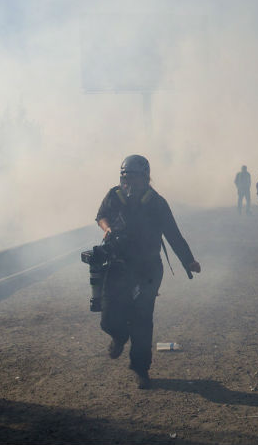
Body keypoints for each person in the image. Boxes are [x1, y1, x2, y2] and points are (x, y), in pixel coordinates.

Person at [95, 155, 201, 389]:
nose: (128, 183)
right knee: (108, 317)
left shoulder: (157, 203)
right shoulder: (114, 196)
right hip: (118, 264)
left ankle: (141, 369)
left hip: (148, 268)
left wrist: (189, 261)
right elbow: (100, 216)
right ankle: (119, 336)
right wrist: (108, 228)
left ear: (145, 178)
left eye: (133, 178)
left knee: (142, 319)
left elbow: (173, 235)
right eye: (125, 178)